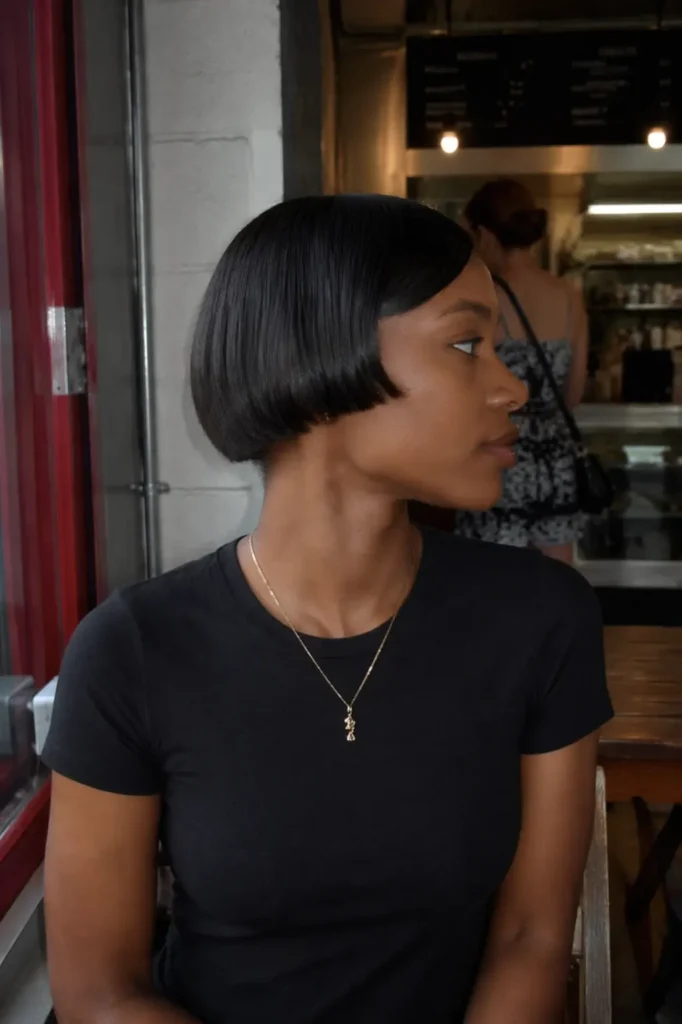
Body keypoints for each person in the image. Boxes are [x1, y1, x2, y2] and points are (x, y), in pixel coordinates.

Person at [43, 195, 612, 1024]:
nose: (512, 386)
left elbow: (530, 938)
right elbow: (99, 994)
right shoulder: (135, 649)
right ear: (320, 366)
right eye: (466, 343)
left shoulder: (539, 618)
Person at [455, 178, 589, 565]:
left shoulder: (480, 298)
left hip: (498, 454)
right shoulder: (569, 298)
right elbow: (574, 394)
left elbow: (465, 389)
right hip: (555, 460)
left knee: (494, 582)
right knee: (557, 583)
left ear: (485, 234)